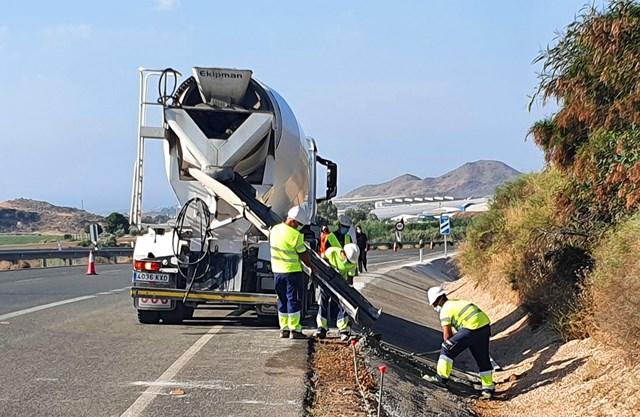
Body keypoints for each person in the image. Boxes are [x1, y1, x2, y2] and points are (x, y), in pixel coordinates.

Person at [425, 286, 495, 399]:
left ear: (438, 300)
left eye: (434, 304)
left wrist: (451, 346)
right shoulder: (455, 302)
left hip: (472, 327)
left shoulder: (445, 310)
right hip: (484, 326)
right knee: (482, 358)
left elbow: (447, 336)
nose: (434, 307)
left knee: (446, 348)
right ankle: (488, 389)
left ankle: (440, 379)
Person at [269, 206, 316, 339]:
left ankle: (283, 329)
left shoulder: (275, 230)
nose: (300, 227)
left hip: (277, 272)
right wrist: (312, 267)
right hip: (292, 272)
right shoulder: (296, 235)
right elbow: (303, 255)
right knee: (293, 300)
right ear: (294, 221)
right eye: (300, 224)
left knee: (282, 300)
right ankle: (294, 330)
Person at [314, 243, 360, 341]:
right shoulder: (332, 251)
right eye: (347, 260)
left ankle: (343, 329)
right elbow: (320, 260)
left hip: (340, 285)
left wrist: (347, 291)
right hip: (326, 281)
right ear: (343, 253)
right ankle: (321, 327)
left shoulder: (352, 263)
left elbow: (350, 279)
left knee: (343, 305)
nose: (347, 262)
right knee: (323, 301)